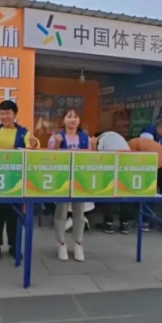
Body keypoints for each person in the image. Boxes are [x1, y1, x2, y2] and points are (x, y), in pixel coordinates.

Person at [0, 100, 39, 260]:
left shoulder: (23, 132)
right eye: (2, 113)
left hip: (15, 181)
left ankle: (14, 246)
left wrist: (34, 143)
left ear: (15, 115)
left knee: (13, 215)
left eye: (8, 113)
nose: (5, 116)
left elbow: (32, 145)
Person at [48, 109, 92, 262]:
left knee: (79, 213)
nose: (72, 120)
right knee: (61, 213)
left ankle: (78, 243)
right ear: (64, 120)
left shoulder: (85, 138)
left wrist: (93, 147)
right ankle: (61, 243)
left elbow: (91, 159)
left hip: (80, 179)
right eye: (69, 117)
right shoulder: (56, 137)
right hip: (62, 179)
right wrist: (57, 144)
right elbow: (51, 158)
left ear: (79, 121)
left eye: (75, 117)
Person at [128, 136, 162, 228]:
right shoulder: (140, 141)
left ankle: (146, 222)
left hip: (155, 164)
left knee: (147, 192)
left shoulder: (130, 144)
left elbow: (133, 161)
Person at [94, 131, 132, 234]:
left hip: (109, 168)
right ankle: (125, 225)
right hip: (124, 168)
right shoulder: (121, 138)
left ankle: (108, 224)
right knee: (125, 196)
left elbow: (98, 155)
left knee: (109, 195)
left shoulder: (101, 139)